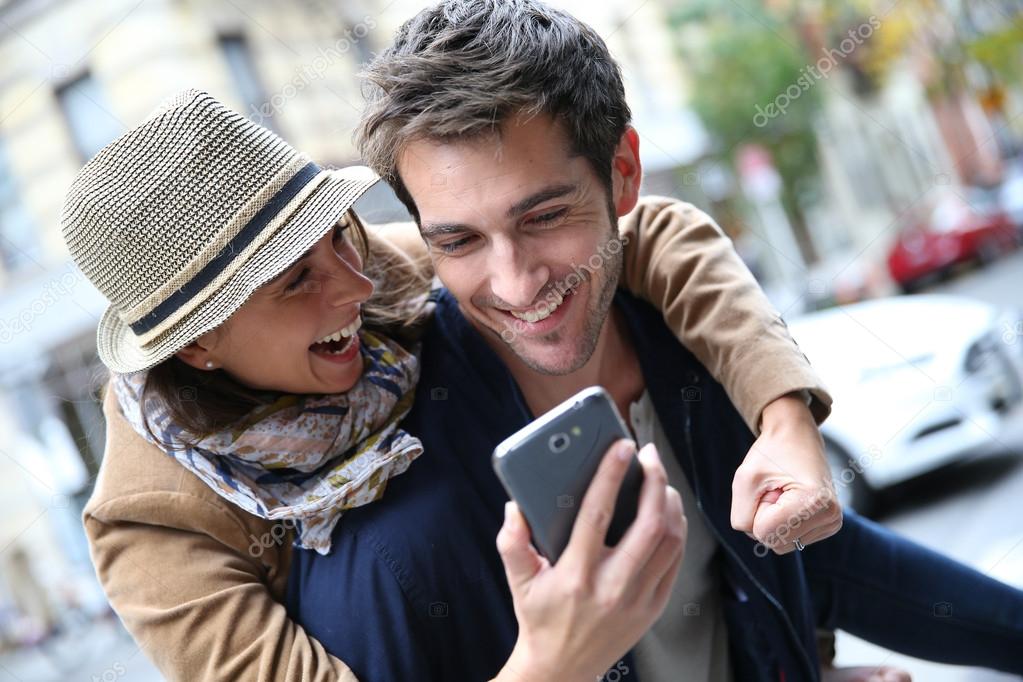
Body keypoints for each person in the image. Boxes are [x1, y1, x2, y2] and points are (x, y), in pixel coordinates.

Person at [286, 1, 1023, 680]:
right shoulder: (384, 505)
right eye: (459, 241)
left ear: (624, 173)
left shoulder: (694, 349)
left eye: (543, 218)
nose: (513, 284)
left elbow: (829, 570)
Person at [73, 90, 841, 681]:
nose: (353, 283)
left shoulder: (369, 271)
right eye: (296, 280)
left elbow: (651, 236)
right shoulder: (154, 526)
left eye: (337, 232)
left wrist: (784, 422)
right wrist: (554, 664)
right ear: (200, 345)